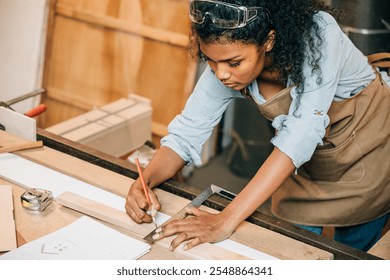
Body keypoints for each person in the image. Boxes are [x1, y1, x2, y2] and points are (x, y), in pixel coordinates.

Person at [125, 0, 390, 252]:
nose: (222, 74)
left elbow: (300, 136)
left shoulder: (321, 36)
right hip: (307, 164)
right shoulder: (226, 60)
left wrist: (225, 220)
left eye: (234, 63)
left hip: (368, 158)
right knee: (287, 249)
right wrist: (146, 180)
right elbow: (187, 132)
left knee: (351, 254)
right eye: (211, 61)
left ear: (269, 41)